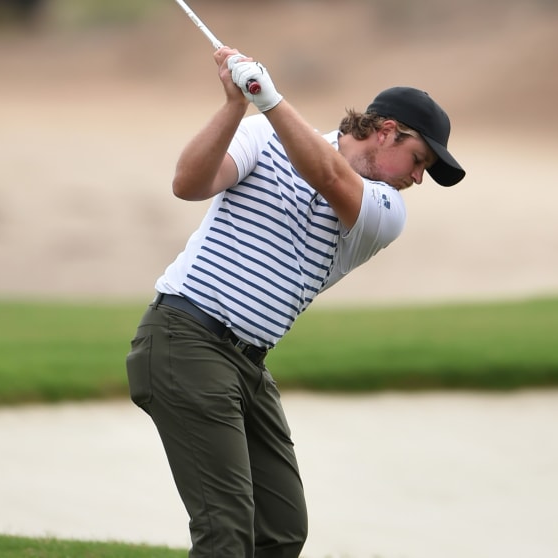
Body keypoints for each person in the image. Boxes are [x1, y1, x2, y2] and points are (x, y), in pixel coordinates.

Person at [125, 46, 465, 558]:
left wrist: (269, 98)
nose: (417, 178)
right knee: (226, 532)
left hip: (247, 364)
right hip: (184, 337)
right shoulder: (263, 134)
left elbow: (328, 176)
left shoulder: (386, 211)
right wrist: (236, 106)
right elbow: (188, 184)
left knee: (281, 530)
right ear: (388, 130)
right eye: (419, 160)